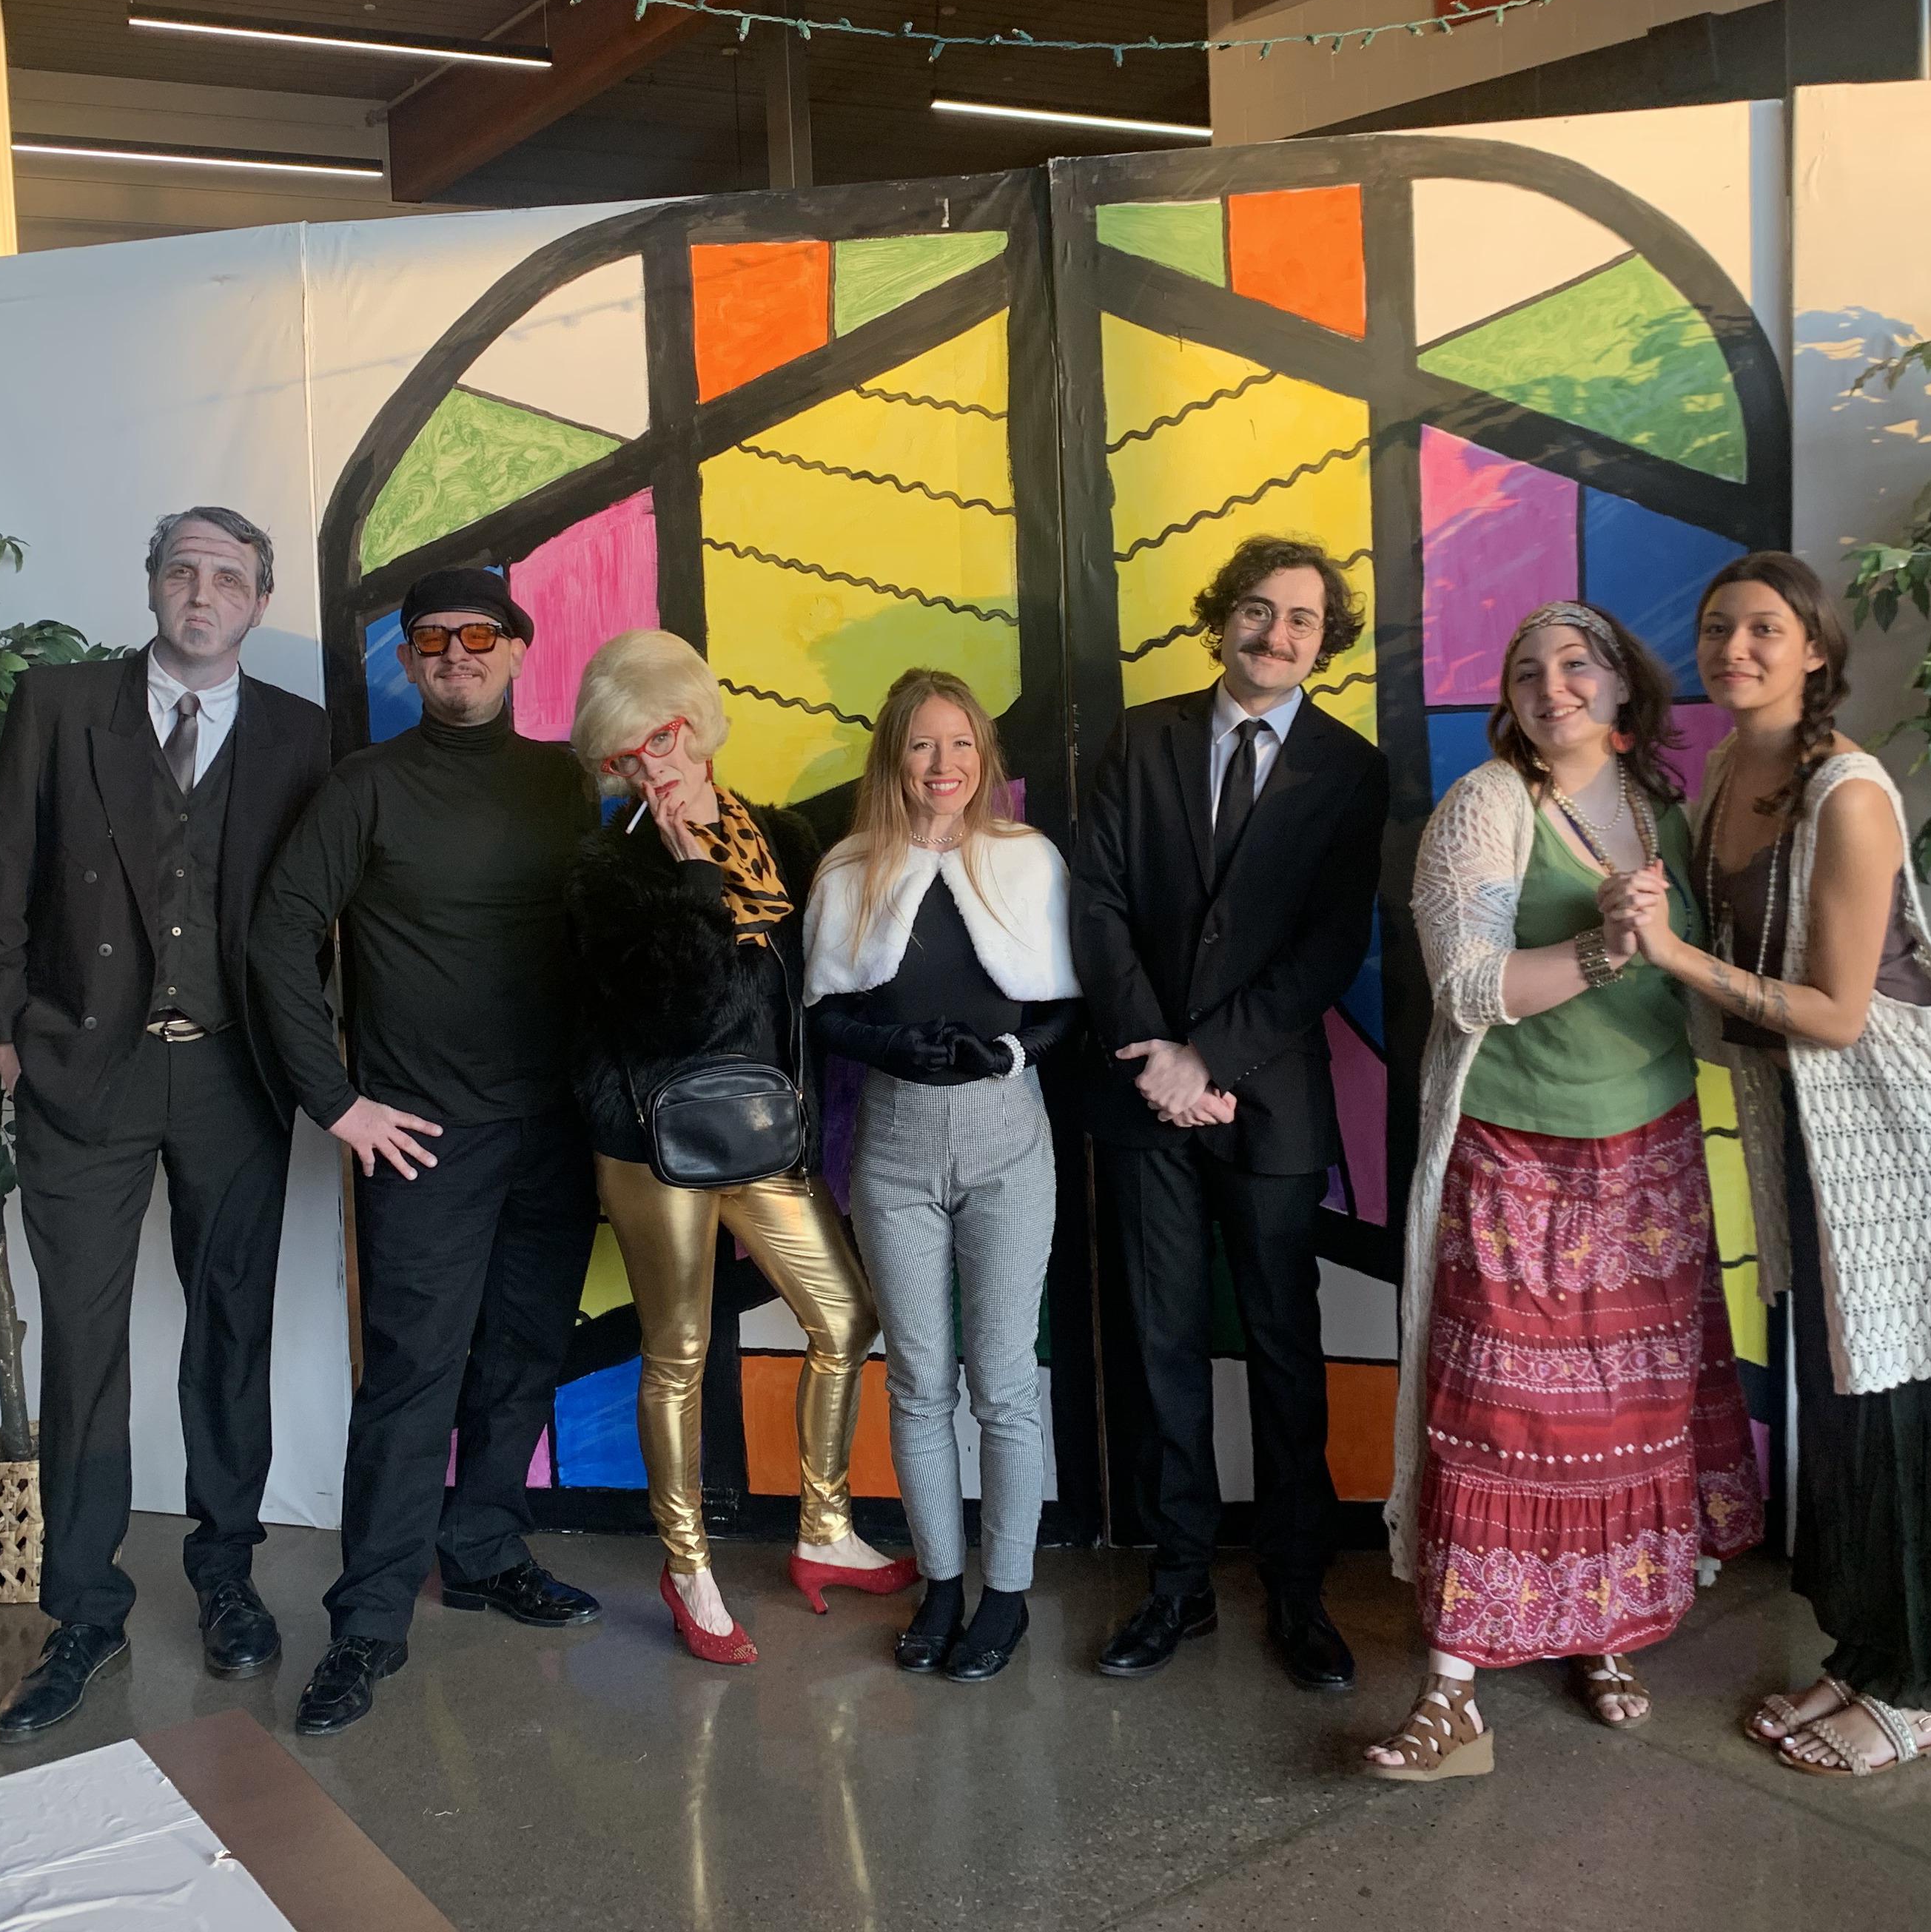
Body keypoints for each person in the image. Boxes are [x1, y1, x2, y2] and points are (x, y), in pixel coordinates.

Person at [1608, 552, 1931, 1777]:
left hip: (1913, 1136)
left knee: (1917, 1404)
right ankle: (1873, 1652)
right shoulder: (1730, 774)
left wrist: (1668, 953)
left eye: (1764, 630)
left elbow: (1834, 1012)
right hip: (1821, 1134)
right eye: (1716, 628)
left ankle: (1927, 1689)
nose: (1734, 649)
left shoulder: (1850, 791)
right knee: (1847, 1403)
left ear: (1816, 648)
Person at [1360, 603, 1763, 1783]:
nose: (1553, 687)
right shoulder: (1490, 804)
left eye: (1578, 665)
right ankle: (1451, 1691)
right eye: (1528, 671)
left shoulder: (1667, 815)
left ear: (1624, 687)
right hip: (1514, 1151)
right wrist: (1604, 948)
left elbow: (1700, 995)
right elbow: (1467, 988)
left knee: (1630, 1417)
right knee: (1495, 1416)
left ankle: (1604, 1631)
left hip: (1651, 1155)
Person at [0, 505, 331, 1743]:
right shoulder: (61, 706)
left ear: (259, 602)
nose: (202, 593)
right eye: (183, 570)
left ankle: (227, 1578)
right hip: (84, 1076)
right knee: (84, 1344)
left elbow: (316, 917)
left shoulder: (301, 735)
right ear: (154, 586)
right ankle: (82, 1612)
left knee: (231, 1330)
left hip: (234, 1076)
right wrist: (9, 1035)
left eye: (228, 577)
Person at [245, 566, 604, 1737]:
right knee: (412, 1380)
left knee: (523, 1357)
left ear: (517, 650)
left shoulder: (565, 783)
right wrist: (338, 1102)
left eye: (479, 635)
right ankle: (368, 1622)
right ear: (406, 661)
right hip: (422, 1142)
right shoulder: (366, 787)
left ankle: (487, 1552)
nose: (457, 654)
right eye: (433, 639)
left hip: (553, 1128)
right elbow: (279, 935)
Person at [1070, 533, 1388, 1689]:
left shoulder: (1350, 770)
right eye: (1257, 610)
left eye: (1301, 618)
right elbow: (1097, 902)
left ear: (1325, 640)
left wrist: (1210, 1058)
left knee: (1285, 1348)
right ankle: (1178, 1584)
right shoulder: (1139, 737)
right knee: (1161, 1344)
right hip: (1142, 1093)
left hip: (1270, 1101)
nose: (1276, 634)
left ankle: (1298, 1588)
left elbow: (1328, 946)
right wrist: (1158, 1056)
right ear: (1222, 619)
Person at [566, 630, 915, 1663]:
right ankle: (688, 1567)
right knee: (676, 1353)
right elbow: (675, 1011)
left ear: (700, 723)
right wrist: (689, 879)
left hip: (765, 1129)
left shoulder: (783, 837)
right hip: (652, 1142)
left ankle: (823, 1527)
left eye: (664, 737)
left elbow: (813, 980)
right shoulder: (607, 870)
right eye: (626, 755)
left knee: (845, 1318)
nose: (653, 767)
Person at [803, 670, 1081, 1684]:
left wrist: (1011, 1053)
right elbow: (824, 1009)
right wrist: (887, 1046)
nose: (943, 765)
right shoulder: (850, 870)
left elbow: (1064, 1003)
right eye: (923, 744)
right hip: (896, 1148)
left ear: (984, 757)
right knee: (920, 1382)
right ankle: (943, 1583)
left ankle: (1006, 1591)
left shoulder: (1028, 859)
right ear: (894, 755)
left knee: (1002, 1381)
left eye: (961, 744)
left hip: (1009, 1140)